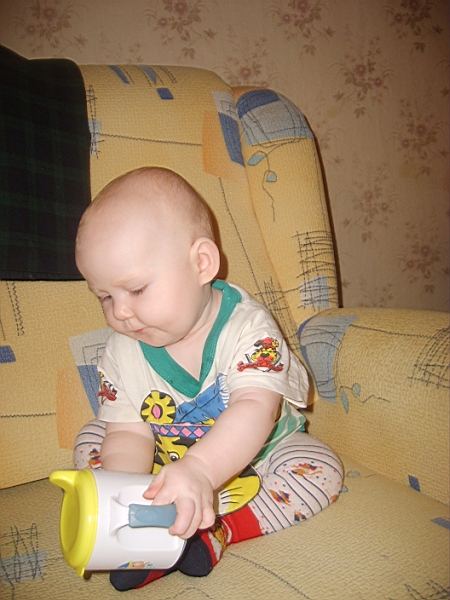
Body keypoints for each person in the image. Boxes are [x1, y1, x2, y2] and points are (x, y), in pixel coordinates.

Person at [74, 167, 343, 592]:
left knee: (320, 469)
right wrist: (122, 497)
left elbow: (254, 408)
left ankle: (217, 530)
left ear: (202, 263)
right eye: (105, 297)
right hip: (166, 458)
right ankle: (151, 528)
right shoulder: (121, 351)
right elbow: (128, 433)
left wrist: (199, 469)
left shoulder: (250, 328)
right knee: (93, 439)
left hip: (258, 455)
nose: (120, 312)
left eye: (137, 289)